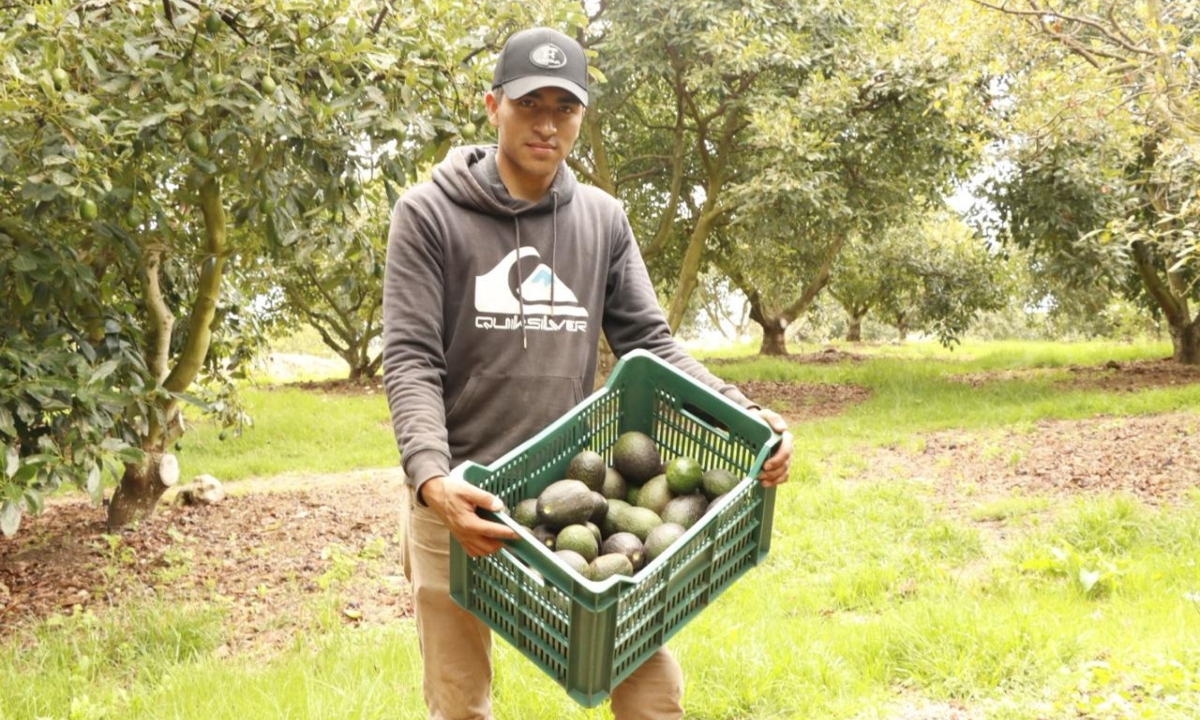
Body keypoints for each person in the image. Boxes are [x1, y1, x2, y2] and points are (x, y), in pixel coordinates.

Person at [382, 26, 793, 720]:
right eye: (529, 103)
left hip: (575, 486)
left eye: (565, 107)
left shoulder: (601, 219)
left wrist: (743, 415)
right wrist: (432, 480)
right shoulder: (427, 214)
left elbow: (649, 342)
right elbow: (411, 360)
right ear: (493, 106)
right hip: (459, 494)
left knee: (650, 692)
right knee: (456, 703)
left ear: (582, 115)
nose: (548, 123)